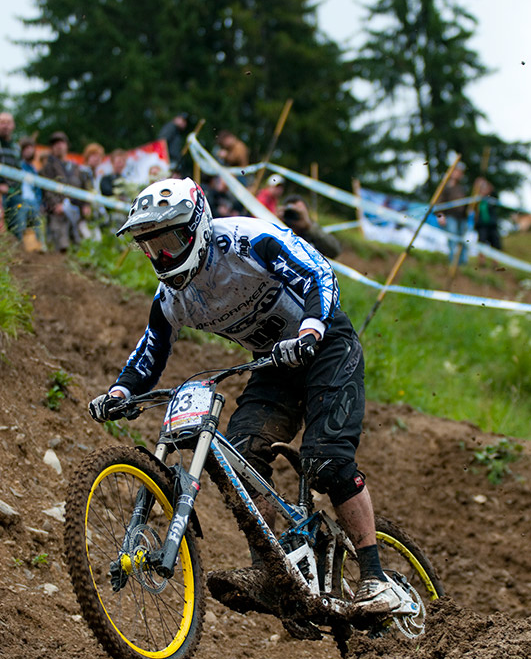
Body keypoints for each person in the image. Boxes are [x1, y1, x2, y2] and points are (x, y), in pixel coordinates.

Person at [88, 177, 408, 616]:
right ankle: (272, 573)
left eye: (170, 240)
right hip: (272, 364)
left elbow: (318, 273)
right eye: (152, 245)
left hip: (326, 343)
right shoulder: (172, 297)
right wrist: (120, 391)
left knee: (328, 460)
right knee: (239, 460)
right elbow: (151, 349)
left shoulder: (249, 240)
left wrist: (312, 328)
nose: (163, 255)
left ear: (198, 225)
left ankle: (376, 579)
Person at [40, 131, 91, 251]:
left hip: (76, 211)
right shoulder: (48, 168)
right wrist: (55, 205)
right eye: (55, 143)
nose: (59, 146)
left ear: (67, 145)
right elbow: (46, 189)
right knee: (62, 247)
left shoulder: (75, 167)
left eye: (61, 142)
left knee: (81, 247)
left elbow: (84, 187)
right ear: (52, 148)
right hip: (58, 212)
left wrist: (86, 205)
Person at [280, 194, 341, 259]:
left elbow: (334, 251)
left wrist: (309, 227)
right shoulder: (280, 229)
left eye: (298, 213)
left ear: (307, 212)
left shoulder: (312, 231)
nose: (293, 216)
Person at [438, 162, 470, 265]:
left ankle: (463, 264)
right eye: (456, 171)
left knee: (463, 240)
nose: (458, 174)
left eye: (460, 172)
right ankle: (453, 262)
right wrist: (440, 215)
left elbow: (466, 204)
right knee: (453, 239)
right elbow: (439, 203)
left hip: (462, 218)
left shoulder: (462, 188)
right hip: (451, 216)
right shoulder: (445, 187)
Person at [19, 136, 46, 252]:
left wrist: (40, 202)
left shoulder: (34, 169)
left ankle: (40, 247)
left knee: (37, 226)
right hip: (21, 200)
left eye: (31, 148)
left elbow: (38, 188)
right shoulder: (19, 166)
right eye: (26, 148)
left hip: (34, 201)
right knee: (21, 225)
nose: (29, 151)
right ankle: (20, 249)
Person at [0, 111, 23, 239]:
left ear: (13, 125)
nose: (5, 126)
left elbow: (19, 172)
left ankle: (18, 253)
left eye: (8, 123)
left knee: (19, 219)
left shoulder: (16, 148)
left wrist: (14, 189)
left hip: (13, 192)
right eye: (2, 122)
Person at [475, 177, 502, 250]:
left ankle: (496, 260)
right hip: (481, 225)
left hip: (492, 225)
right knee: (481, 243)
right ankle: (481, 261)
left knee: (496, 244)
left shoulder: (492, 198)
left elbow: (495, 192)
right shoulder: (476, 200)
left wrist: (485, 182)